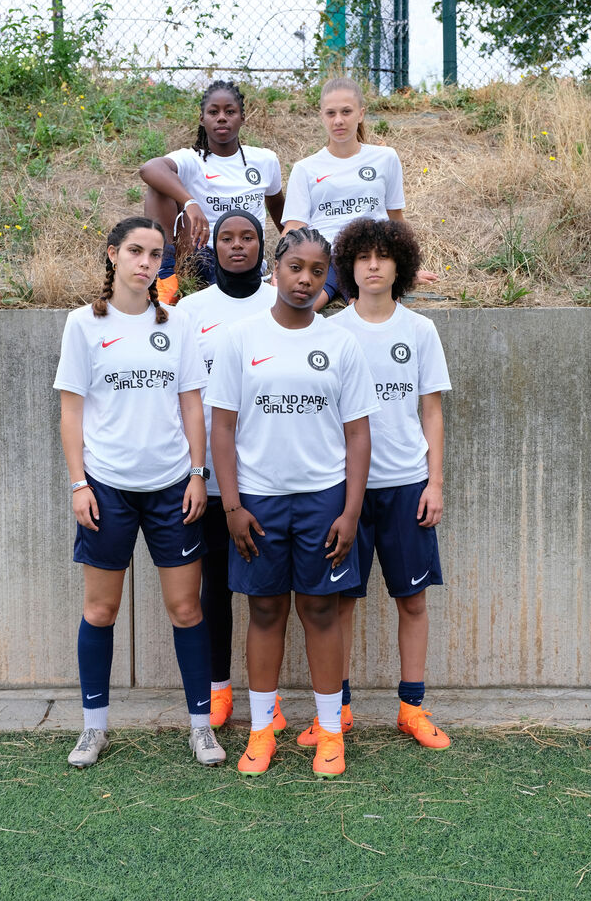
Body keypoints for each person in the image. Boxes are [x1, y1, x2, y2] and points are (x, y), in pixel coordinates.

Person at [206, 227, 379, 778]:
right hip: (258, 501)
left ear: (327, 277)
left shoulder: (340, 343)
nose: (305, 279)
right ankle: (262, 731)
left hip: (324, 500)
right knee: (264, 610)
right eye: (295, 267)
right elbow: (222, 428)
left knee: (321, 610)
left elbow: (358, 434)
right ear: (274, 270)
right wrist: (232, 507)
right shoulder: (241, 339)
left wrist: (350, 511)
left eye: (317, 271)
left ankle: (330, 733)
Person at [54, 216, 225, 769]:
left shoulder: (177, 323)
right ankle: (93, 728)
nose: (145, 263)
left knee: (186, 608)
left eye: (155, 254)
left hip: (172, 487)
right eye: (135, 251)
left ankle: (201, 727)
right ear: (113, 255)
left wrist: (197, 473)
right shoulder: (83, 324)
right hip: (106, 488)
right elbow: (71, 410)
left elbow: (192, 403)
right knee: (101, 609)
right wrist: (79, 483)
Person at [297, 216, 452, 750]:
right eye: (363, 257)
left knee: (413, 601)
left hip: (407, 485)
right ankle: (336, 712)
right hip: (346, 491)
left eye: (384, 256)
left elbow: (431, 411)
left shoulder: (420, 331)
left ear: (399, 265)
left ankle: (412, 708)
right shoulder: (331, 332)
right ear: (349, 266)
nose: (373, 266)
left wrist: (434, 482)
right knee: (339, 603)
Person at [176, 208, 286, 733]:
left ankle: (270, 698)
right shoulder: (191, 310)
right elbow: (183, 393)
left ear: (263, 247)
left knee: (271, 595)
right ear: (213, 247)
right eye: (227, 238)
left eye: (248, 237)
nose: (237, 245)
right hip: (209, 480)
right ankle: (218, 691)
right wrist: (194, 469)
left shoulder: (280, 303)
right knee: (214, 590)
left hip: (266, 478)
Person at [281, 76, 437, 311]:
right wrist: (281, 269)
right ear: (322, 116)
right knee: (300, 310)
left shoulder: (385, 158)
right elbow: (295, 226)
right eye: (331, 113)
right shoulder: (305, 168)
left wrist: (407, 269)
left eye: (346, 111)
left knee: (374, 311)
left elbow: (395, 218)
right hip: (325, 257)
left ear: (361, 114)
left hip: (370, 257)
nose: (338, 120)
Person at [140, 79, 285, 303]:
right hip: (200, 252)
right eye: (213, 112)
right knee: (159, 186)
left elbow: (277, 206)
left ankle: (225, 288)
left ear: (242, 118)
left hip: (243, 254)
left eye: (230, 111)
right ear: (202, 119)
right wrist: (190, 202)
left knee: (229, 293)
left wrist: (290, 250)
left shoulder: (264, 160)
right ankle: (165, 276)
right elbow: (149, 168)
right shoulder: (191, 159)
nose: (222, 117)